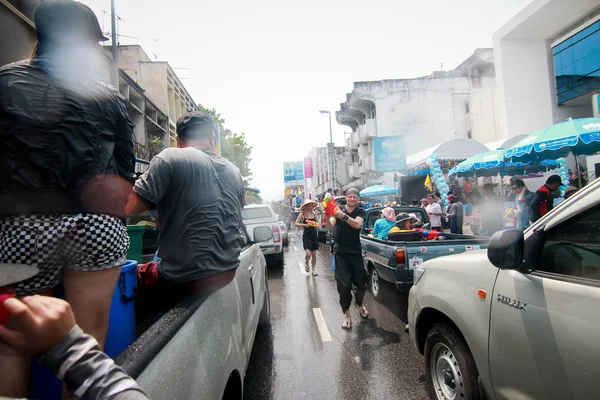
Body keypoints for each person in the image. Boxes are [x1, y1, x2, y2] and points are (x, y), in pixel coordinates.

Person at [0, 1, 134, 396]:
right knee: (85, 341)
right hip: (97, 224)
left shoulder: (4, 82)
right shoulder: (109, 96)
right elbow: (125, 170)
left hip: (24, 224)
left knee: (11, 341)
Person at [126, 110, 245, 313]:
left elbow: (131, 208)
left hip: (187, 277)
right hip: (227, 271)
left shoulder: (169, 157)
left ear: (178, 140)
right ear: (212, 137)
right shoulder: (234, 171)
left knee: (128, 276)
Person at [325, 188, 368, 330]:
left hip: (355, 252)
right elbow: (329, 225)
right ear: (346, 197)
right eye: (350, 196)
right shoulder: (337, 209)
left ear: (358, 199)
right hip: (341, 253)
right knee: (344, 286)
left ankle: (360, 304)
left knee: (361, 284)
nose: (352, 199)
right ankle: (347, 315)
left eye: (355, 197)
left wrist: (342, 216)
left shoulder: (360, 211)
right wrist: (326, 216)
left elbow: (357, 225)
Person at [296, 199, 319, 275]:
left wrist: (316, 225)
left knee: (314, 254)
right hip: (306, 235)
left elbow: (318, 223)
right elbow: (296, 224)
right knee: (308, 253)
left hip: (314, 235)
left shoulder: (314, 214)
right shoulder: (302, 214)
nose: (310, 206)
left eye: (311, 205)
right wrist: (304, 225)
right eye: (309, 205)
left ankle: (313, 270)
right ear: (305, 206)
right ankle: (306, 262)